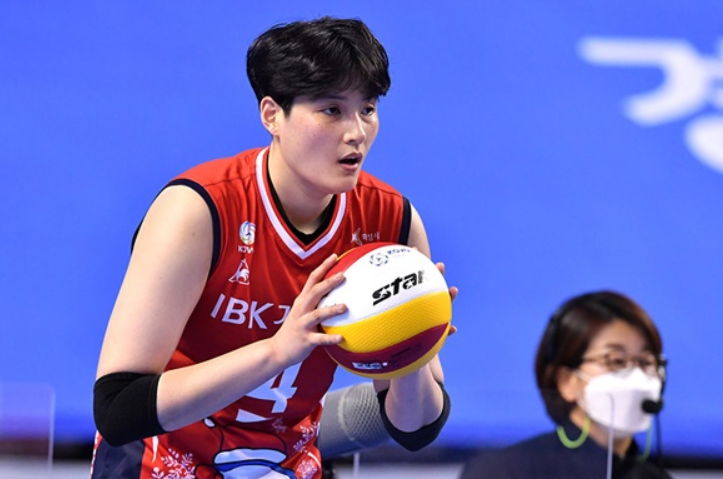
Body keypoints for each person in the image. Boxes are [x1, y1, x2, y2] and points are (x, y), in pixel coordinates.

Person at [91, 16, 455, 479]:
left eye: (367, 108)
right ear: (272, 115)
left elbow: (415, 430)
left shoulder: (391, 224)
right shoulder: (198, 211)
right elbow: (119, 408)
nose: (356, 132)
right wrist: (277, 351)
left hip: (287, 465)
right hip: (162, 461)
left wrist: (413, 349)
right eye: (331, 110)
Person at [460, 291, 671, 479]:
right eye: (616, 360)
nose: (636, 376)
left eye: (646, 362)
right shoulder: (503, 471)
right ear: (566, 381)